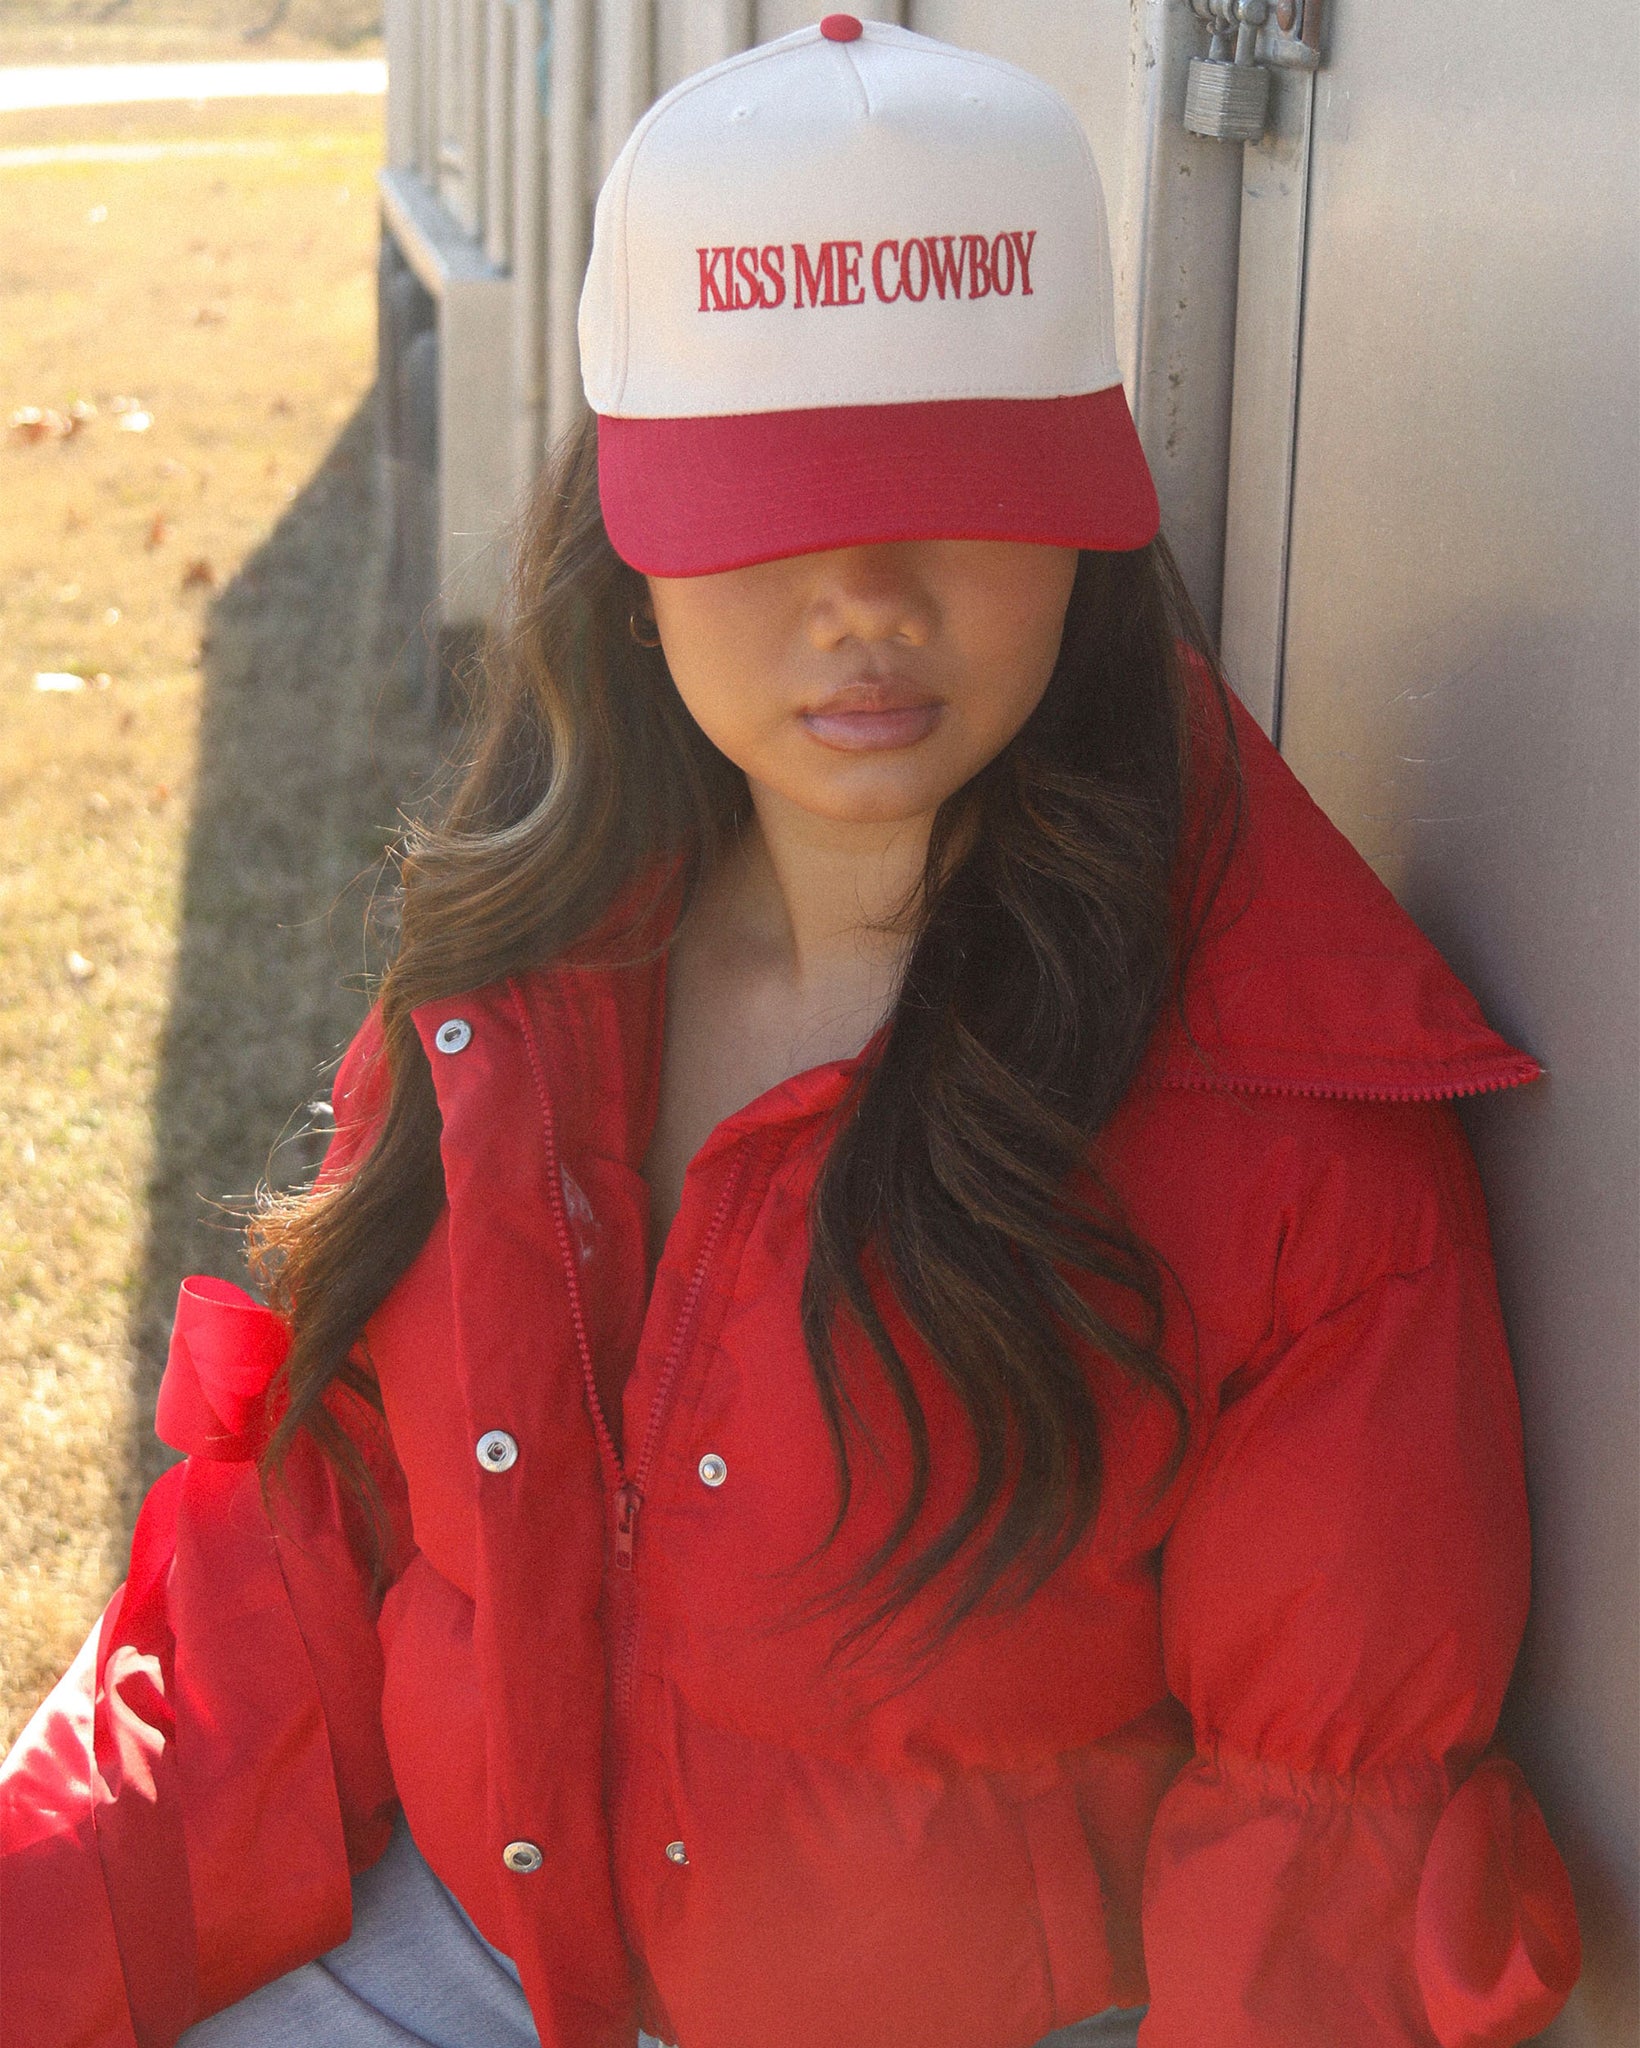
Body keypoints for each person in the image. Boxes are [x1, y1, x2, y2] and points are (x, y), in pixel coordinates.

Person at [0, 16, 1581, 2048]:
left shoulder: (1298, 1131)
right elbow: (309, 1548)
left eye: (954, 490)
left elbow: (1320, 1850)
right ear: (625, 537)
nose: (863, 597)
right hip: (458, 1955)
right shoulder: (517, 980)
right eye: (769, 499)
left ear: (1088, 515)